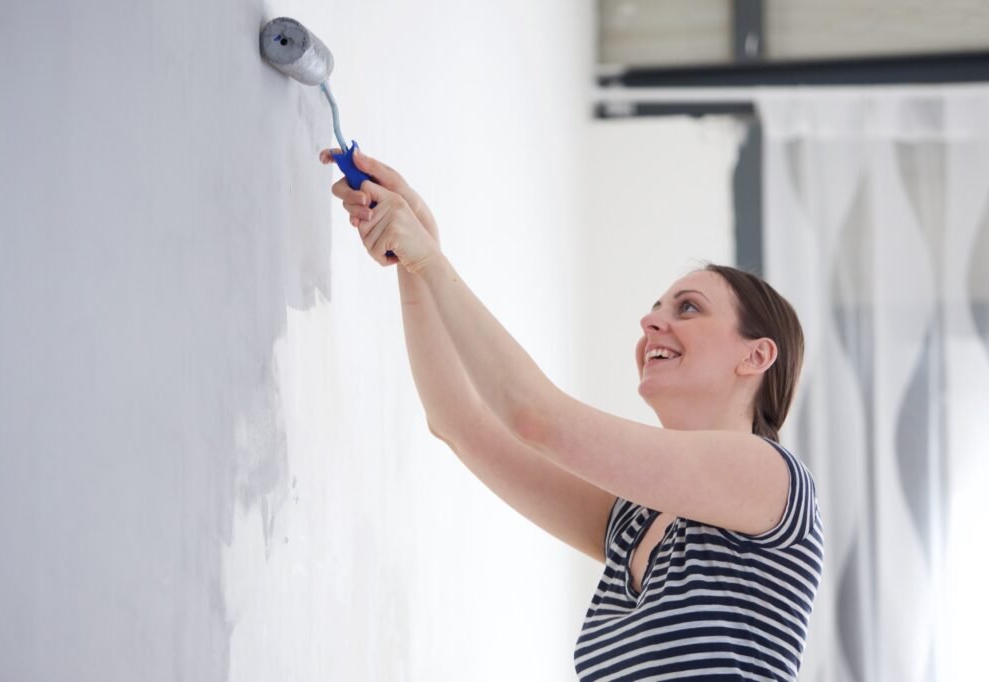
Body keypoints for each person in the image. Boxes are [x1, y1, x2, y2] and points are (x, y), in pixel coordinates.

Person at [320, 148, 823, 681]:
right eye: (656, 309)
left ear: (757, 355)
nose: (651, 321)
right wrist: (413, 259)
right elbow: (459, 422)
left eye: (688, 308)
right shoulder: (631, 522)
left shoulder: (770, 479)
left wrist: (431, 262)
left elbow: (537, 419)